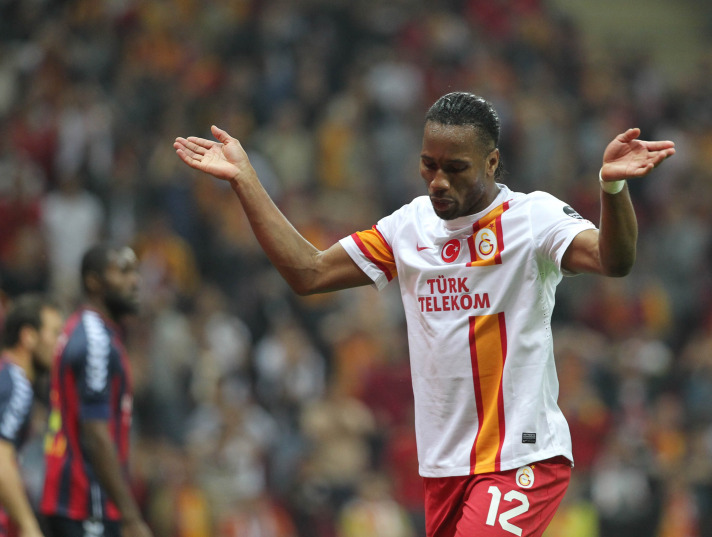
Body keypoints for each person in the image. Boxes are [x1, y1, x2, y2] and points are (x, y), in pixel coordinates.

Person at [174, 91, 675, 537]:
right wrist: (246, 180)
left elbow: (613, 260)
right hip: (444, 468)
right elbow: (309, 272)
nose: (437, 181)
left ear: (492, 162)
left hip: (521, 456)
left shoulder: (532, 217)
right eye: (428, 165)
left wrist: (612, 190)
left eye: (455, 168)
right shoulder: (408, 227)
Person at [40, 245, 152, 537]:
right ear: (93, 281)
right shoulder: (95, 342)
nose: (135, 281)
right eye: (123, 272)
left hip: (75, 504)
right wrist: (131, 517)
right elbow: (96, 433)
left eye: (135, 272)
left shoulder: (88, 330)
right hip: (86, 505)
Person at [0, 295, 63, 537]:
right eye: (55, 333)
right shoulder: (16, 385)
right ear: (28, 336)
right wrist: (28, 524)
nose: (61, 344)